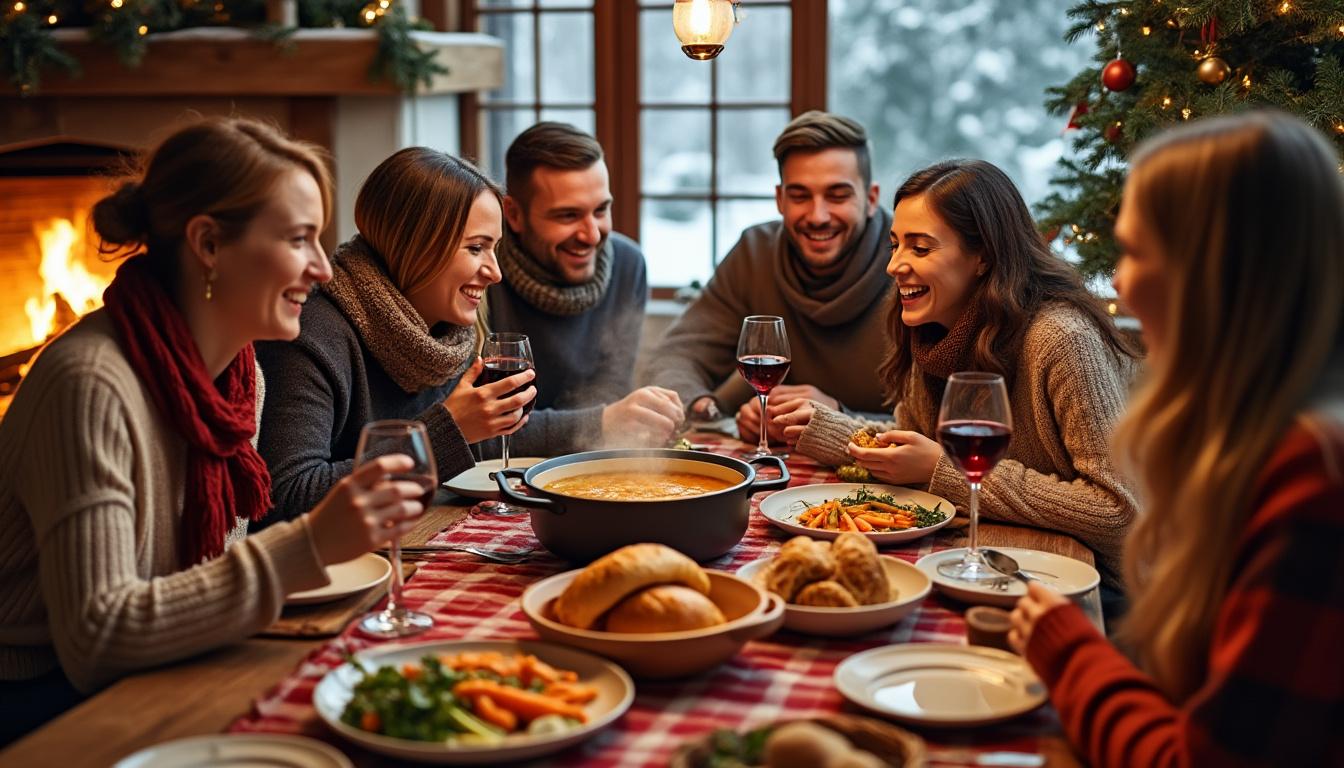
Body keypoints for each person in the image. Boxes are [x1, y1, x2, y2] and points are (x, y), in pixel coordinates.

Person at [0, 117, 425, 745]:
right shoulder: (89, 383)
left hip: (163, 660)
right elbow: (97, 638)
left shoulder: (237, 377)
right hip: (43, 697)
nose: (324, 269)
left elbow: (212, 570)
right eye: (300, 239)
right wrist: (308, 544)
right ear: (209, 244)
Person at [1008, 112, 1344, 767]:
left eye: (1134, 254)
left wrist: (1071, 650)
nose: (1122, 287)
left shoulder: (1315, 479)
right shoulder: (1253, 436)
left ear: (1218, 274)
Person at [780, 159, 1140, 583]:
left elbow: (1119, 515)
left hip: (1100, 585)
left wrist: (942, 470)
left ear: (983, 256)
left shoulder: (1062, 338)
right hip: (1003, 560)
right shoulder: (934, 328)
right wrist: (826, 430)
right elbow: (914, 453)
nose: (894, 265)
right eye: (895, 244)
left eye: (920, 247)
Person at [255, 148, 535, 524]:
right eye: (475, 248)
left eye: (494, 248)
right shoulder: (312, 333)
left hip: (413, 538)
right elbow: (286, 497)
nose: (495, 272)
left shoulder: (445, 332)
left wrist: (604, 422)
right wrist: (444, 434)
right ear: (415, 246)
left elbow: (482, 430)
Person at [641, 111, 893, 444]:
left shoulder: (907, 263)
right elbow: (677, 357)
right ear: (780, 199)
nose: (818, 216)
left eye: (837, 195)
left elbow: (943, 419)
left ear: (871, 198)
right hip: (784, 471)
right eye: (800, 195)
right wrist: (707, 409)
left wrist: (839, 418)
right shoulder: (754, 253)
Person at [490, 122, 684, 449]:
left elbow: (607, 393)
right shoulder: (481, 273)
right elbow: (477, 433)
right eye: (567, 215)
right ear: (514, 215)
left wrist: (632, 416)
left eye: (601, 210)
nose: (592, 234)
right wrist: (601, 421)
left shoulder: (628, 265)